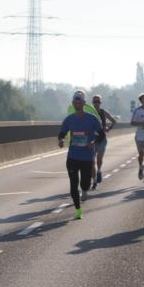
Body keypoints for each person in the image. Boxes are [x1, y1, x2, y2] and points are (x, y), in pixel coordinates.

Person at [57, 91, 105, 220]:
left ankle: (84, 189)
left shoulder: (92, 119)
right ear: (73, 103)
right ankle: (78, 210)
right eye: (75, 101)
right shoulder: (69, 119)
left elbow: (101, 134)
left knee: (85, 184)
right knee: (73, 184)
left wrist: (93, 142)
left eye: (80, 101)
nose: (77, 103)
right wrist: (61, 140)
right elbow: (62, 133)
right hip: (73, 156)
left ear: (84, 103)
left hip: (87, 157)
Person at [90, 94, 117, 189]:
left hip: (102, 139)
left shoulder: (103, 112)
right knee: (92, 161)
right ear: (92, 102)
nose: (96, 103)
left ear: (100, 102)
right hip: (92, 139)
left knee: (99, 159)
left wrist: (108, 128)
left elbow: (114, 121)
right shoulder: (89, 112)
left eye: (98, 101)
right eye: (95, 101)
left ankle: (99, 171)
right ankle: (94, 181)